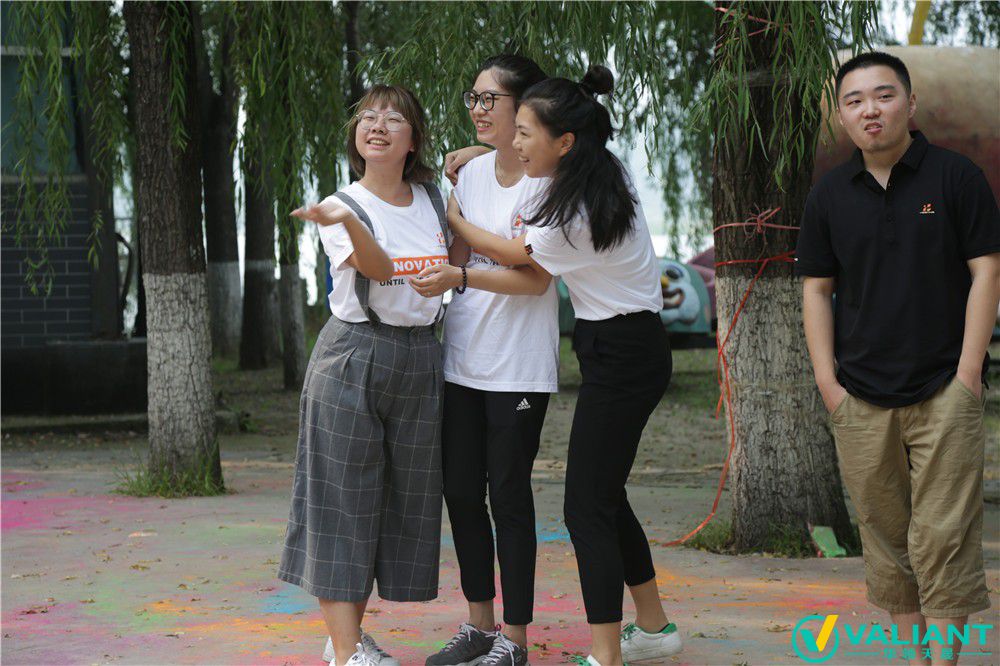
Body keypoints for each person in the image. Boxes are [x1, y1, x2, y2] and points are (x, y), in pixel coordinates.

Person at [438, 65, 684, 666]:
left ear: (564, 141)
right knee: (606, 495)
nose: (516, 143)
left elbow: (515, 256)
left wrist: (457, 223)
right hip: (617, 344)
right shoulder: (602, 169)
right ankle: (653, 627)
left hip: (623, 352)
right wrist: (484, 151)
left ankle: (605, 654)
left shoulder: (569, 210)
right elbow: (525, 158)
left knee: (585, 507)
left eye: (525, 133)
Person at [796, 51, 999, 666]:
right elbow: (816, 290)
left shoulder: (956, 177)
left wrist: (968, 374)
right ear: (841, 116)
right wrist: (828, 383)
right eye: (854, 101)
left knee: (943, 535)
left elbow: (987, 271)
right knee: (886, 542)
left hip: (945, 389)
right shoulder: (830, 195)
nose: (870, 110)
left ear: (910, 104)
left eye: (884, 96)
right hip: (859, 397)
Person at [277, 84, 450, 666]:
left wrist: (474, 154)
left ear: (413, 139)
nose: (377, 125)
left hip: (421, 357)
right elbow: (375, 267)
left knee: (402, 502)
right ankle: (350, 651)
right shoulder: (340, 205)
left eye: (393, 118)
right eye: (367, 117)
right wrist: (348, 223)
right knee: (341, 500)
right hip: (354, 355)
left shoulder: (433, 198)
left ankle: (345, 638)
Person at [408, 54, 557, 666]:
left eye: (489, 98)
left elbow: (536, 279)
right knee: (461, 494)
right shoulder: (467, 176)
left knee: (510, 496)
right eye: (472, 98)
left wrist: (463, 273)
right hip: (462, 363)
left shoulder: (545, 180)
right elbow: (455, 254)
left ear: (524, 105)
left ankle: (514, 640)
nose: (477, 108)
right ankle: (479, 625)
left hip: (518, 368)